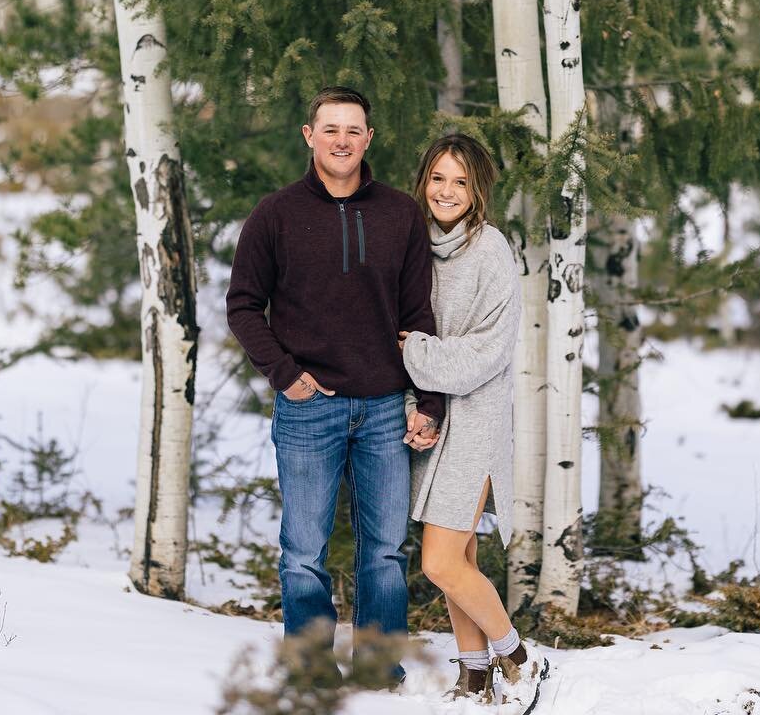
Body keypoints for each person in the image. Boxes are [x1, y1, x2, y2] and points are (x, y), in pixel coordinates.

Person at [225, 86, 442, 676]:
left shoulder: (400, 214)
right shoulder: (276, 214)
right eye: (330, 129)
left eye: (353, 130)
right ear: (309, 135)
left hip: (382, 408)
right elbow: (243, 306)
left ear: (369, 138)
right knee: (301, 554)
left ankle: (377, 667)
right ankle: (311, 671)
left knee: (385, 553)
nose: (342, 140)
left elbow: (419, 316)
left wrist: (429, 400)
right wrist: (285, 373)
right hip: (307, 408)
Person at [399, 133, 549, 705]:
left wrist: (415, 351)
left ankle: (517, 657)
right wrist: (417, 405)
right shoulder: (415, 246)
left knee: (439, 561)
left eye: (461, 181)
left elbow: (486, 353)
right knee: (460, 557)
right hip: (434, 418)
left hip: (477, 421)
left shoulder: (491, 251)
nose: (447, 191)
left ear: (478, 189)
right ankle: (475, 674)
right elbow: (406, 331)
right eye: (438, 177)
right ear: (424, 181)